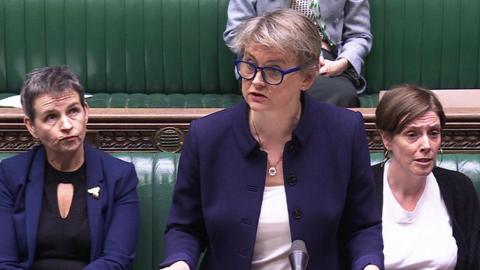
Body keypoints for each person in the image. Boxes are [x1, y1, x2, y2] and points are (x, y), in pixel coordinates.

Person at [159, 9, 382, 270]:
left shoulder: (344, 132)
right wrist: (178, 263)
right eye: (249, 64)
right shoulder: (206, 136)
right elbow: (184, 228)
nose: (256, 80)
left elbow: (362, 227)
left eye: (273, 71)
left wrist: (369, 265)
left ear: (307, 78)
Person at [0, 66, 140, 270]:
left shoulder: (119, 176)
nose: (66, 125)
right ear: (31, 126)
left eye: (73, 111)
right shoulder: (10, 174)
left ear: (86, 112)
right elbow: (4, 261)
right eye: (51, 117)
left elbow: (116, 260)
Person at [373, 85, 480, 270]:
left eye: (433, 133)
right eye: (412, 134)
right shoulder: (362, 187)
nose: (426, 145)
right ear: (387, 139)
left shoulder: (459, 189)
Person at [224, 0, 372, 107]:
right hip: (267, 55)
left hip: (324, 59)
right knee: (278, 86)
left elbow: (359, 35)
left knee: (341, 93)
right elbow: (235, 32)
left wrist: (341, 63)